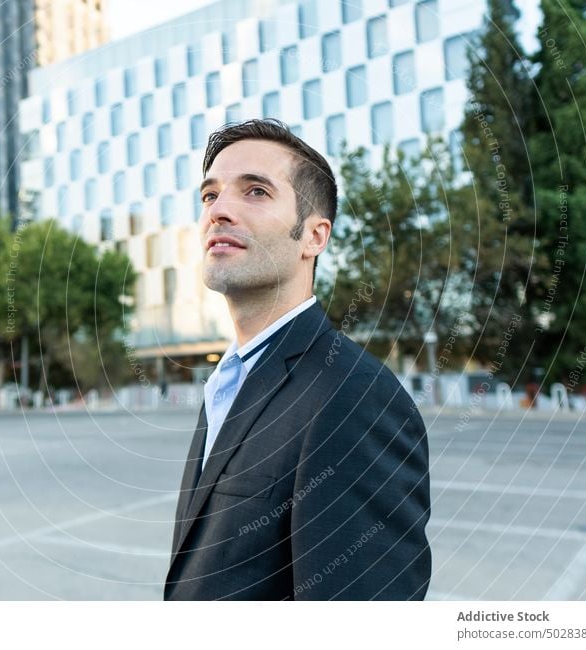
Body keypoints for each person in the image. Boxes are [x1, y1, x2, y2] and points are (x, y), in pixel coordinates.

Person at [163, 119, 431, 600]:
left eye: (256, 192)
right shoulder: (230, 381)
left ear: (313, 237)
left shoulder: (354, 398)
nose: (219, 211)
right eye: (209, 196)